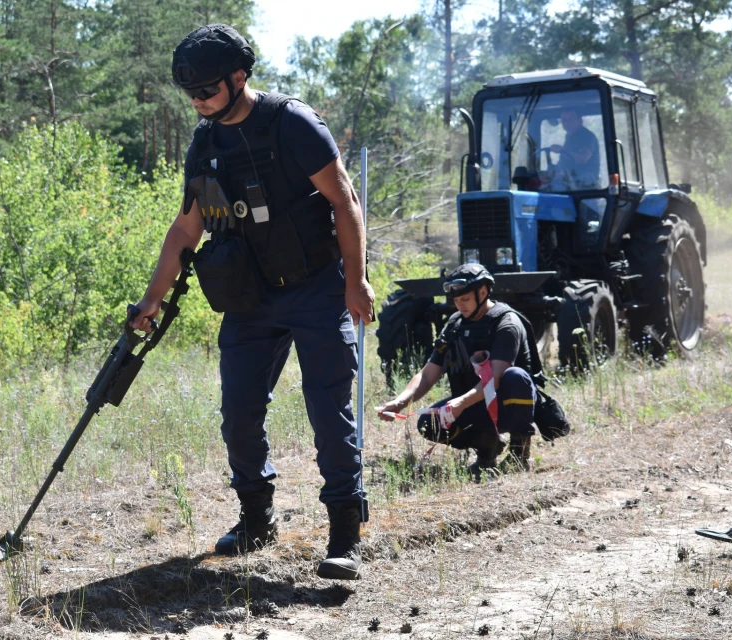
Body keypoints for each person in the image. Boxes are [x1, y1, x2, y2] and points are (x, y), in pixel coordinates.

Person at [130, 23, 375, 580]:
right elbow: (187, 229)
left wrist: (355, 281)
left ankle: (343, 533)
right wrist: (150, 299)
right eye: (190, 94)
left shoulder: (293, 123)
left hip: (317, 287)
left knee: (329, 412)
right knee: (239, 414)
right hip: (249, 297)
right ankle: (256, 518)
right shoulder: (204, 142)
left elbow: (345, 200)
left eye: (207, 91)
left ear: (240, 78)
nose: (198, 102)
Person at [375, 264, 541, 480]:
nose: (459, 305)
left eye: (465, 299)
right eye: (456, 300)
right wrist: (400, 402)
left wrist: (461, 403)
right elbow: (428, 374)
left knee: (515, 377)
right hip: (472, 402)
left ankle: (519, 455)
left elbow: (496, 378)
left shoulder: (506, 322)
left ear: (483, 292)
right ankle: (488, 449)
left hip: (506, 404)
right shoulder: (454, 325)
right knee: (428, 424)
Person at [549, 108, 600, 190]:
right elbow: (565, 162)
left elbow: (583, 158)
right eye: (564, 120)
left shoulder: (587, 136)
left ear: (580, 120)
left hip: (586, 187)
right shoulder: (570, 136)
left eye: (570, 119)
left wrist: (562, 150)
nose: (566, 123)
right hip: (570, 183)